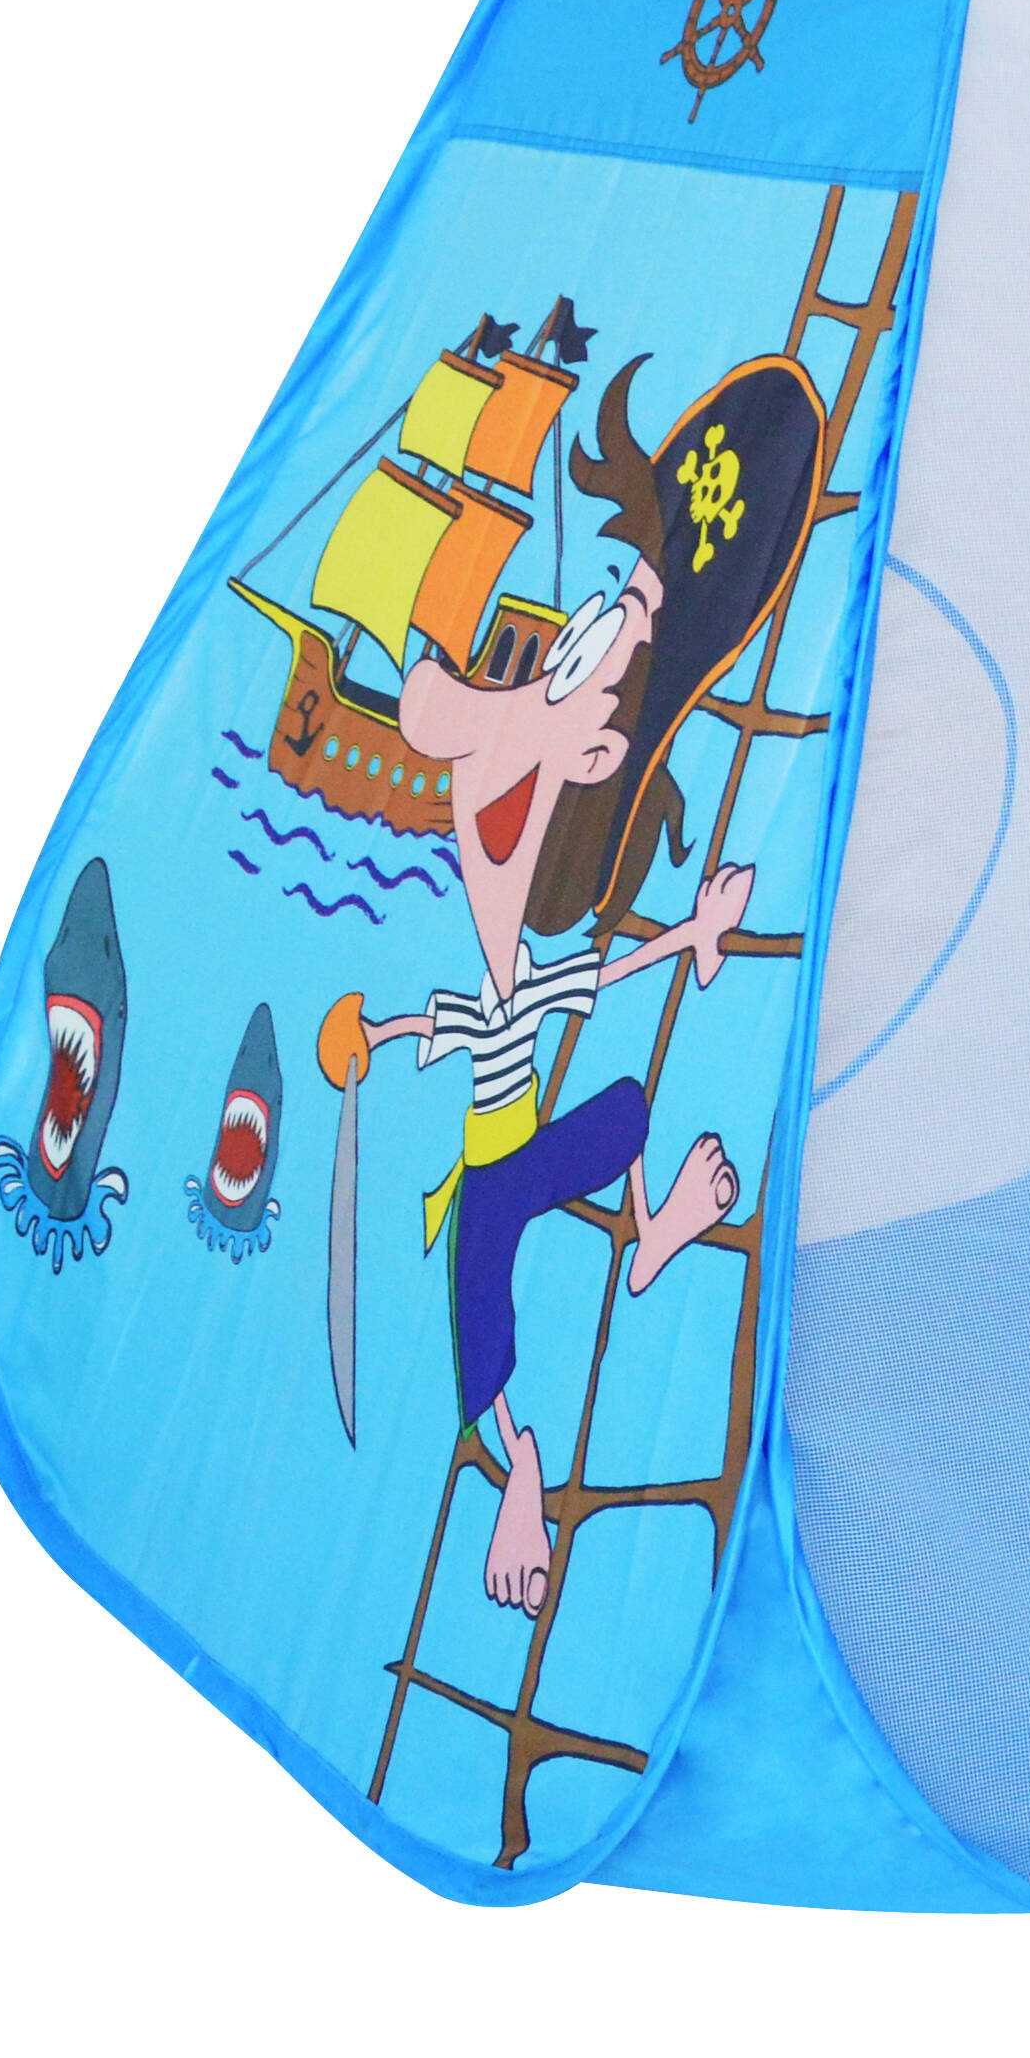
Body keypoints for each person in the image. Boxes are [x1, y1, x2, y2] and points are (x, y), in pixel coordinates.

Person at [320, 351, 827, 1615]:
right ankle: (526, 1462)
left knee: (601, 1141)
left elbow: (449, 718)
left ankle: (609, 1307)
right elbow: (433, 705)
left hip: (511, 1161)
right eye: (611, 618)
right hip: (499, 1166)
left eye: (612, 644)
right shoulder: (514, 747)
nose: (596, 632)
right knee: (486, 1287)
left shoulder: (531, 771)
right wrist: (384, 1030)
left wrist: (694, 927)